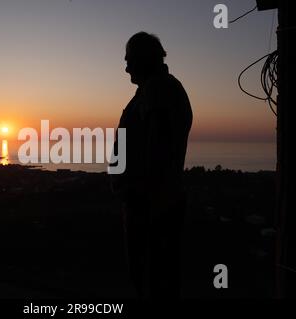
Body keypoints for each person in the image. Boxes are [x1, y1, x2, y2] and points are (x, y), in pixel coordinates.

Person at [110, 32, 193, 298]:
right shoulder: (152, 90)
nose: (125, 68)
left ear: (144, 59)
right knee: (151, 279)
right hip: (148, 205)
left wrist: (142, 197)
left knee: (153, 281)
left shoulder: (159, 89)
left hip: (151, 209)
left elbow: (158, 148)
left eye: (129, 60)